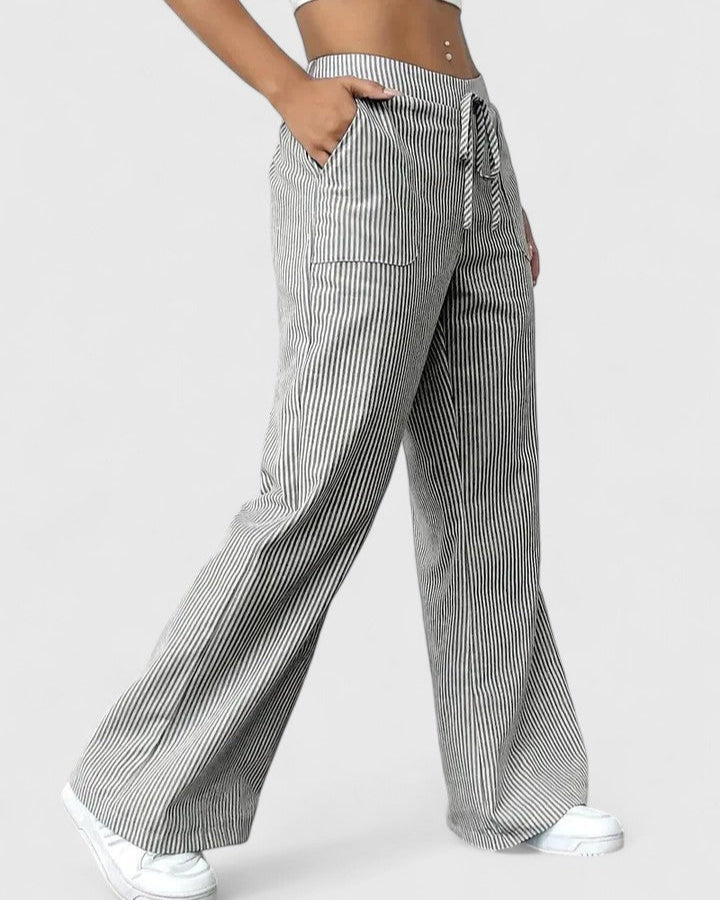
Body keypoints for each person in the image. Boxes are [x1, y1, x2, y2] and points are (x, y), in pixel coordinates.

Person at [61, 1, 624, 897]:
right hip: (368, 134)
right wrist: (288, 87)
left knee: (490, 488)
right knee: (317, 489)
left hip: (469, 136)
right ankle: (131, 790)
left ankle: (512, 787)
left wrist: (488, 194)